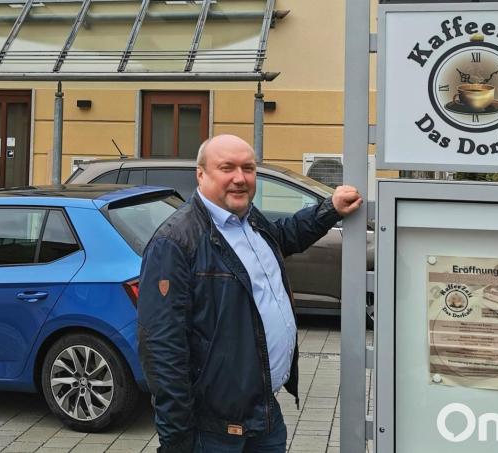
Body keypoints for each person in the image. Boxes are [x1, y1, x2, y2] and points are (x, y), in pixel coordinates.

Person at [137, 135, 363, 453]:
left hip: (263, 413)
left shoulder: (249, 221)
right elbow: (162, 350)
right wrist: (176, 440)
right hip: (213, 430)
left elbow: (285, 235)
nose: (240, 178)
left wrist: (330, 209)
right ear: (201, 174)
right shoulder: (175, 243)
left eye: (248, 168)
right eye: (227, 168)